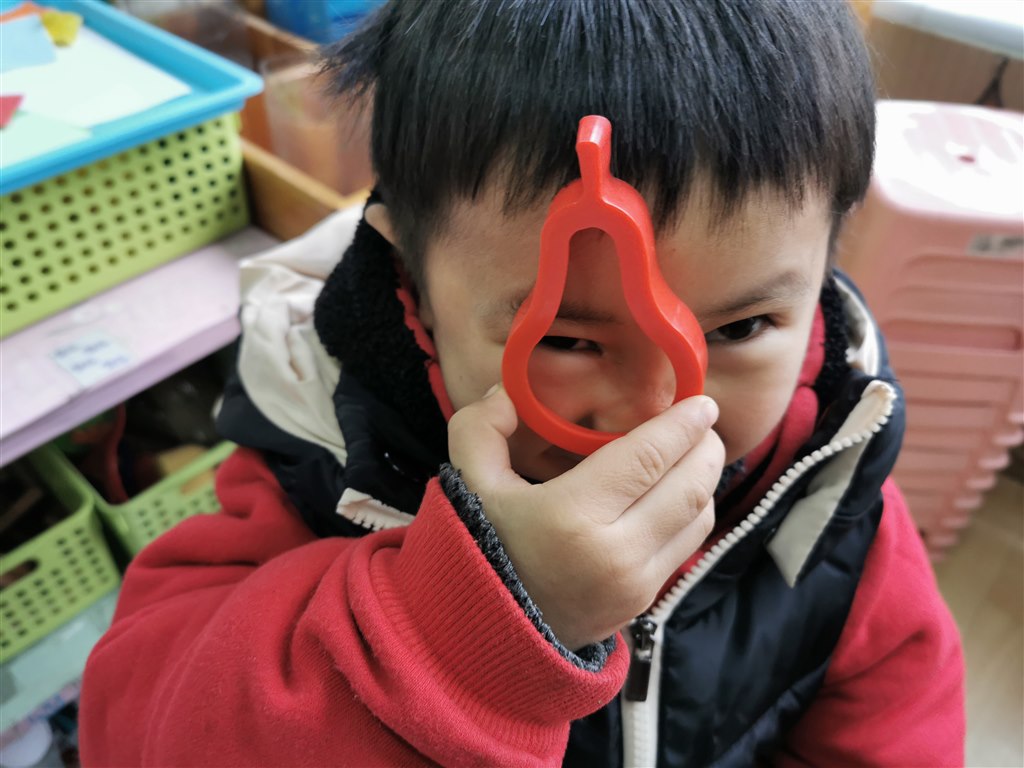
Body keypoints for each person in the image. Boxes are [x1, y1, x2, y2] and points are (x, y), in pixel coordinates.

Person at [79, 1, 966, 765]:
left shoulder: (829, 499)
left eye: (738, 330)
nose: (653, 411)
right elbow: (137, 732)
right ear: (414, 282)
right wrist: (464, 632)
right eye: (568, 339)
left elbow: (896, 725)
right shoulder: (316, 468)